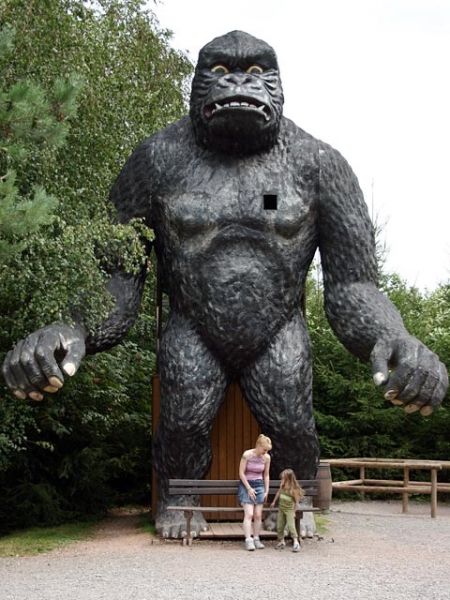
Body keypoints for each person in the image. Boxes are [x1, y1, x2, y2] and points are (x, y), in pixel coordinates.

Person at [238, 434, 272, 551]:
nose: (265, 452)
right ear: (258, 445)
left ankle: (256, 538)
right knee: (249, 514)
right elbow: (241, 473)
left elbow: (266, 474)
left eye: (267, 450)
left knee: (258, 514)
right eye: (264, 449)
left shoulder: (266, 458)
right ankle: (248, 540)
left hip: (259, 484)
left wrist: (266, 490)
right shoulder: (247, 455)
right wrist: (248, 488)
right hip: (246, 484)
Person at [270, 468, 305, 552]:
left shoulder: (293, 490)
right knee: (280, 526)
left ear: (288, 479)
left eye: (283, 478)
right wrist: (273, 502)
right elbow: (278, 493)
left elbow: (296, 502)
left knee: (291, 525)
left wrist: (294, 512)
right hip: (281, 508)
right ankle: (282, 541)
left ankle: (296, 542)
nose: (281, 480)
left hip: (289, 510)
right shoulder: (282, 486)